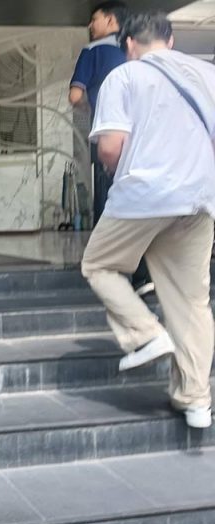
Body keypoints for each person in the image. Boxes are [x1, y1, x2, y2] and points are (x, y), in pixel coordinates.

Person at [81, 12, 215, 428]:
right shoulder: (208, 75)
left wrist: (117, 169)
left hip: (144, 196)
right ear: (170, 40)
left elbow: (110, 148)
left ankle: (146, 334)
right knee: (191, 300)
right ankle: (195, 399)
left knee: (99, 265)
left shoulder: (124, 76)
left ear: (128, 44)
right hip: (199, 198)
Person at [70, 1, 154, 297]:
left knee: (108, 202)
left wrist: (91, 106)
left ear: (110, 20)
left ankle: (110, 272)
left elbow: (75, 96)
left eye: (94, 19)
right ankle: (144, 275)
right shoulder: (138, 51)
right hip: (144, 141)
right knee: (141, 203)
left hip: (111, 138)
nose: (90, 25)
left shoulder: (92, 51)